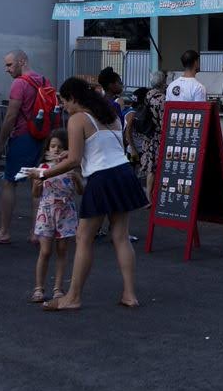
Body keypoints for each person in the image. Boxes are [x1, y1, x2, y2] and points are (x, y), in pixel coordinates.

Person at [36, 77, 148, 312]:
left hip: (102, 178)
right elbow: (98, 150)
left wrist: (43, 174)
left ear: (74, 98)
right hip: (124, 174)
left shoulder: (78, 119)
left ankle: (73, 297)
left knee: (83, 237)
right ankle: (130, 294)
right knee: (121, 236)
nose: (64, 106)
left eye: (64, 101)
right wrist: (64, 159)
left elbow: (75, 160)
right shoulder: (111, 116)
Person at [0, 49, 50, 245]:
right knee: (37, 184)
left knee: (9, 182)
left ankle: (4, 231)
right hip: (42, 137)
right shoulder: (44, 81)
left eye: (9, 64)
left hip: (23, 137)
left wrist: (0, 142)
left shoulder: (19, 83)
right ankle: (36, 232)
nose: (6, 69)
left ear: (22, 61)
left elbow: (11, 116)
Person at [29, 129, 82, 303]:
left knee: (62, 250)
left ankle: (58, 288)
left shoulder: (71, 168)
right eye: (53, 146)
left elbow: (80, 192)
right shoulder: (42, 169)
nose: (56, 150)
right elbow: (36, 194)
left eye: (60, 147)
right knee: (44, 251)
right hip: (46, 211)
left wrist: (77, 180)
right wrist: (37, 183)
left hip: (66, 212)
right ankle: (38, 288)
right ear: (47, 149)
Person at [135, 72, 167, 197]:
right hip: (158, 136)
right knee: (157, 166)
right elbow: (163, 121)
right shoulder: (162, 99)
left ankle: (148, 195)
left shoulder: (148, 95)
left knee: (150, 166)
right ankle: (153, 195)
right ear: (162, 82)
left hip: (148, 135)